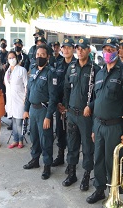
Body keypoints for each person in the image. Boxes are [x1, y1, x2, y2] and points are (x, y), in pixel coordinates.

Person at [86, 37, 123, 204]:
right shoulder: (100, 73)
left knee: (112, 162)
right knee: (98, 160)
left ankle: (113, 194)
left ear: (118, 51)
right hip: (99, 125)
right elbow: (97, 100)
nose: (108, 53)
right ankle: (99, 190)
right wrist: (94, 128)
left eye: (111, 50)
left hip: (115, 127)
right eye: (106, 50)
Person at [60, 37, 100, 190]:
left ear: (89, 50)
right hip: (72, 113)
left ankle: (86, 175)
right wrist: (66, 106)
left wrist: (90, 105)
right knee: (72, 144)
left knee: (88, 147)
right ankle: (72, 173)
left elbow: (98, 94)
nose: (80, 50)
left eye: (83, 48)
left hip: (86, 116)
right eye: (78, 48)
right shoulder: (71, 68)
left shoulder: (95, 70)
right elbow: (66, 88)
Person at [22, 45, 58, 180]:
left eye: (42, 55)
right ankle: (35, 160)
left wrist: (48, 116)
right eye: (38, 54)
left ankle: (47, 165)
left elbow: (53, 97)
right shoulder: (33, 71)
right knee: (34, 137)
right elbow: (28, 92)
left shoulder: (51, 73)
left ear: (48, 57)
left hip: (44, 111)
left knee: (46, 139)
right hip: (33, 109)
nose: (39, 57)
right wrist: (26, 109)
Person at [52, 38, 76, 168]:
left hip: (72, 106)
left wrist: (66, 105)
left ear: (73, 49)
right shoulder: (58, 64)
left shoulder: (77, 64)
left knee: (71, 134)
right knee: (60, 131)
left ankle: (71, 162)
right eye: (64, 47)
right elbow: (55, 85)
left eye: (68, 47)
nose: (66, 50)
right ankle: (60, 156)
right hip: (59, 104)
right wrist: (57, 103)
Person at [4, 51, 28, 149]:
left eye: (13, 57)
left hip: (20, 100)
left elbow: (27, 85)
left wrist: (25, 99)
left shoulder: (22, 70)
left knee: (19, 122)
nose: (12, 59)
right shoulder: (7, 72)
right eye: (10, 58)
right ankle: (15, 140)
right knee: (13, 121)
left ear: (16, 58)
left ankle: (21, 140)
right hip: (10, 100)